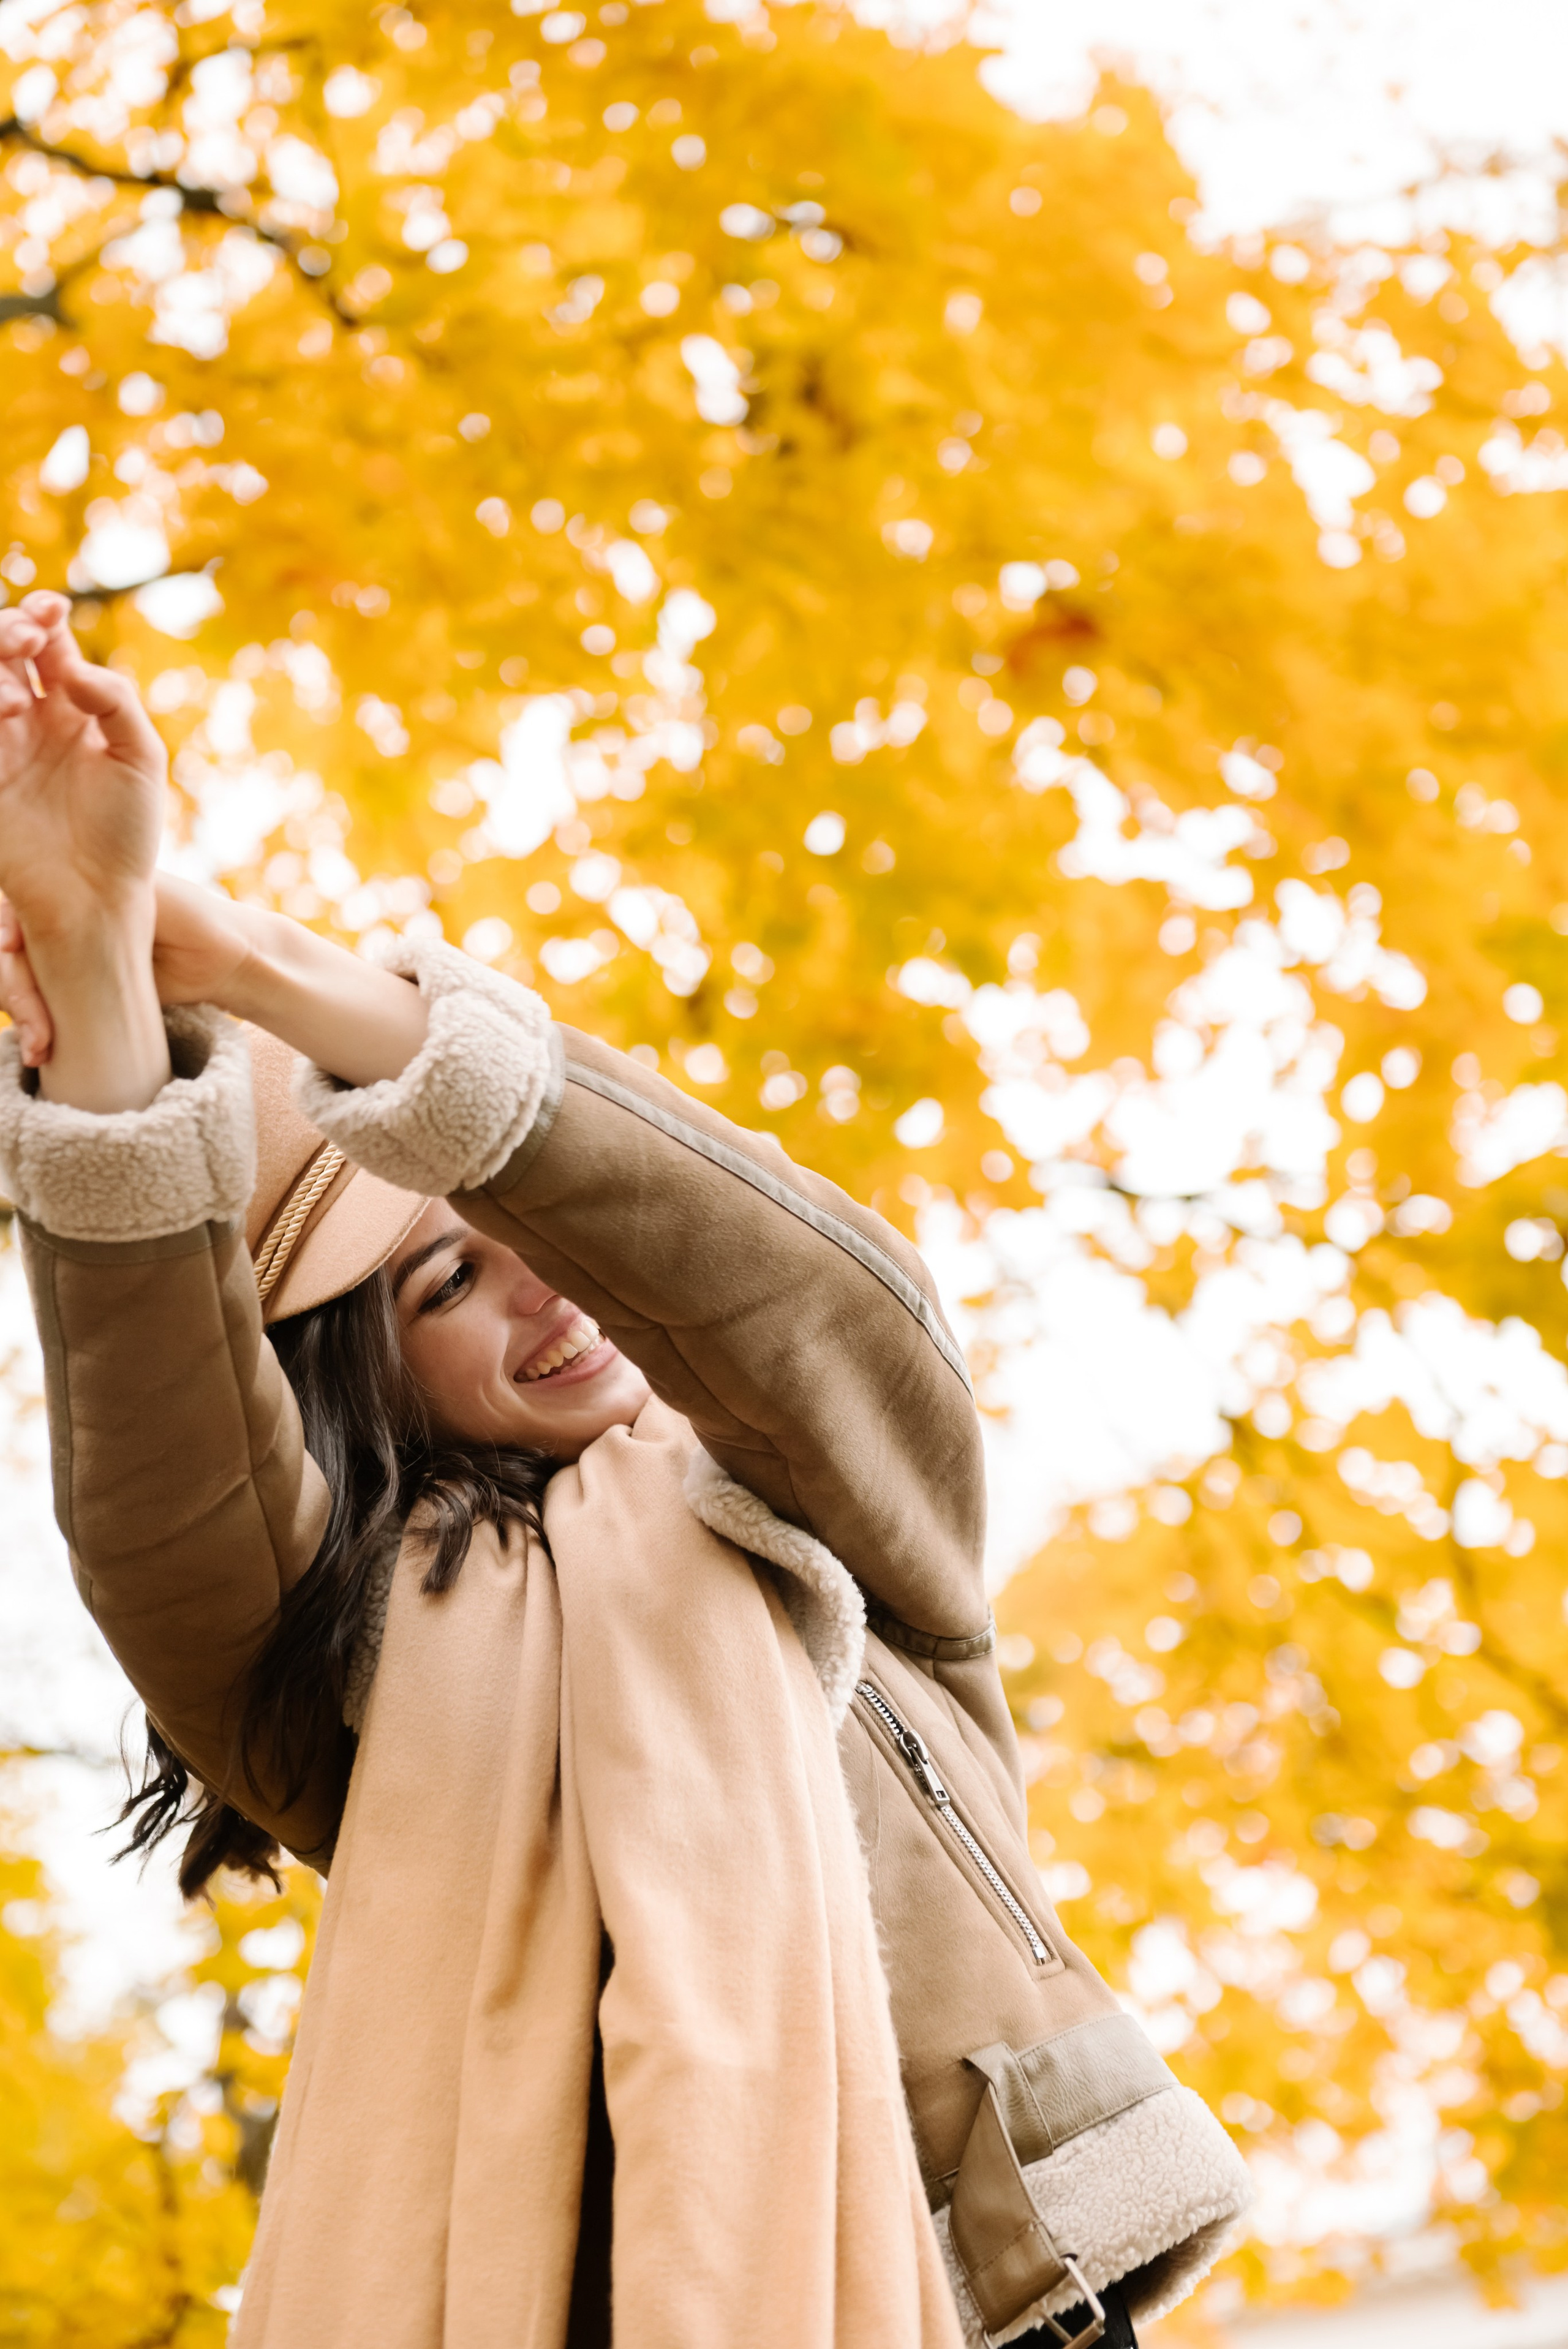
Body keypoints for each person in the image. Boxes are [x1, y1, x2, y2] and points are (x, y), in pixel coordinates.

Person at [0, 591, 1249, 2349]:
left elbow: (803, 1298)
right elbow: (168, 1474)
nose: (544, 1281)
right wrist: (91, 966)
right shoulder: (348, 1680)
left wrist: (262, 965)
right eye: (444, 1281)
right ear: (367, 1387)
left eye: (527, 1222)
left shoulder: (824, 1513)